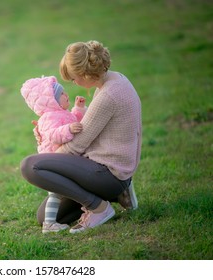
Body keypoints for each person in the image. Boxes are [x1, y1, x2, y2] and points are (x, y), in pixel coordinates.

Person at [20, 40, 142, 234]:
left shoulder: (107, 96)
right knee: (45, 216)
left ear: (85, 73)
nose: (74, 83)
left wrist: (47, 154)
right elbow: (90, 131)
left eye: (74, 78)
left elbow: (76, 146)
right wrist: (49, 137)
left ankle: (99, 208)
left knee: (31, 166)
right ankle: (117, 195)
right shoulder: (115, 81)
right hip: (108, 169)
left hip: (109, 173)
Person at [21, 75, 86, 233]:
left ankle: (84, 210)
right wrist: (68, 130)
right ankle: (49, 224)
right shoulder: (49, 117)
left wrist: (78, 109)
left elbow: (74, 122)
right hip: (53, 161)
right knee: (55, 194)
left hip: (59, 159)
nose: (66, 95)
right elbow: (52, 134)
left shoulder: (60, 114)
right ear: (52, 100)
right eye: (62, 94)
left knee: (59, 192)